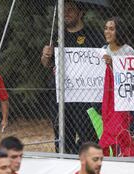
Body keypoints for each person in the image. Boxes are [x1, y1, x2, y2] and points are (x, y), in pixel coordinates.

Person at [41, 0, 104, 154]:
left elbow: (100, 63)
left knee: (87, 135)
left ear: (80, 13)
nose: (66, 13)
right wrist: (45, 56)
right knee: (62, 135)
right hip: (61, 94)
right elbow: (46, 64)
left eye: (70, 10)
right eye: (63, 10)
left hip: (84, 95)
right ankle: (63, 160)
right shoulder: (57, 36)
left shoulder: (94, 35)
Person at [100, 17, 134, 157]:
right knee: (109, 133)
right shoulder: (103, 50)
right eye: (106, 28)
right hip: (108, 100)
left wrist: (114, 64)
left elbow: (131, 77)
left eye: (111, 28)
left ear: (118, 31)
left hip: (124, 101)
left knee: (123, 133)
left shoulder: (128, 50)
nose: (107, 31)